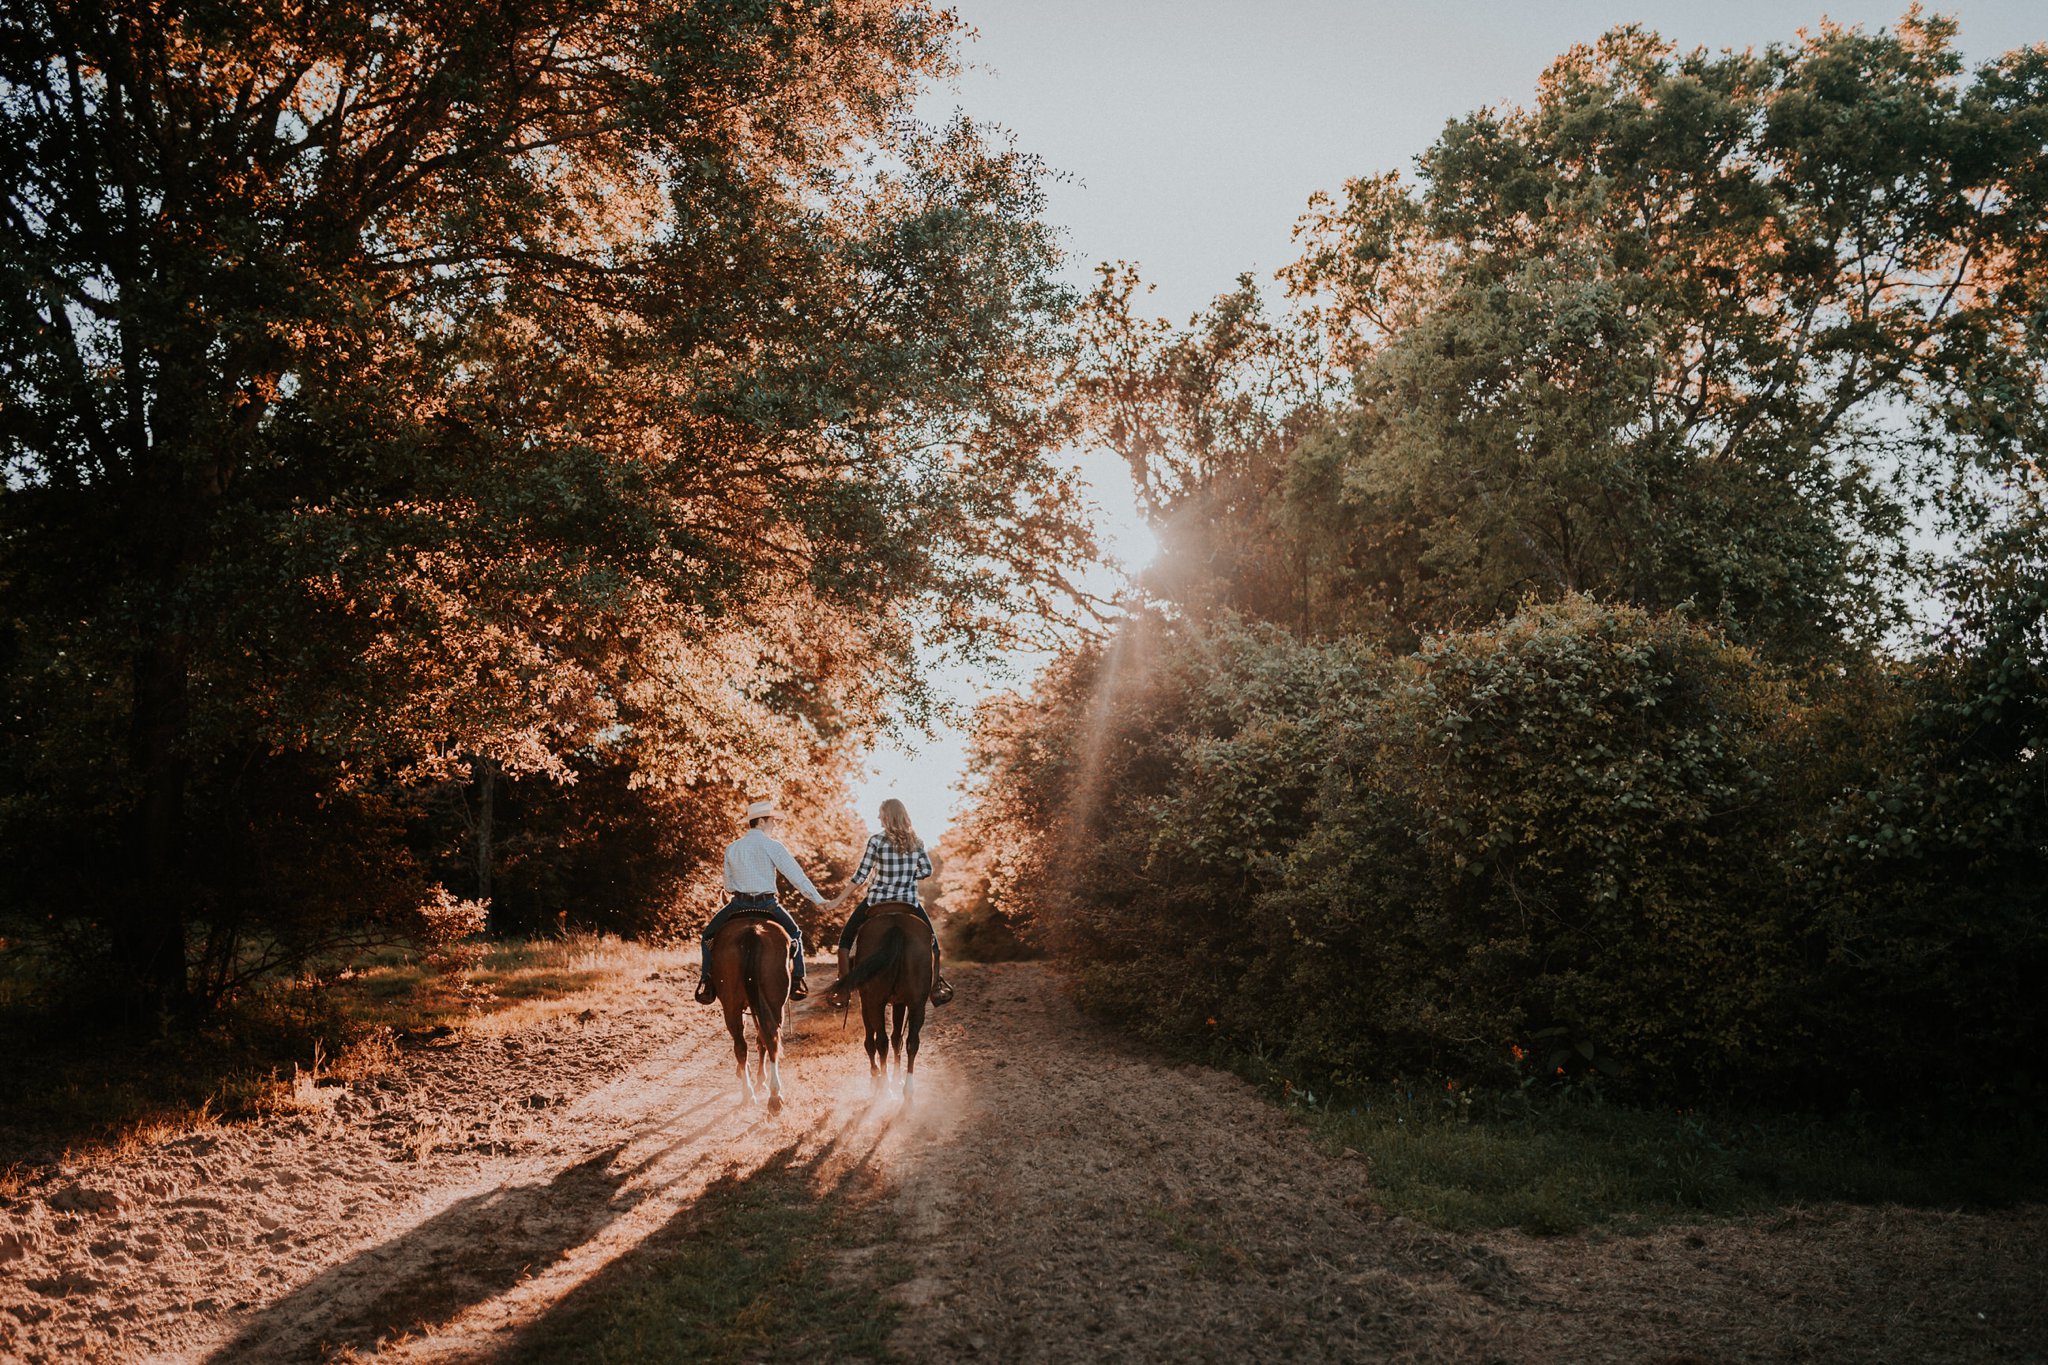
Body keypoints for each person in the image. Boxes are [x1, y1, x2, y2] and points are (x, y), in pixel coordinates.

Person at [694, 797, 845, 1005]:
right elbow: (797, 877)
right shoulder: (773, 846)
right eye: (773, 820)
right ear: (762, 821)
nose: (775, 824)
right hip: (768, 905)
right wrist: (819, 901)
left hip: (738, 904)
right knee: (794, 934)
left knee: (708, 937)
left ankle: (707, 981)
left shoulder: (733, 848)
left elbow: (728, 886)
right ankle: (797, 980)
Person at [829, 798, 953, 1007]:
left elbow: (860, 876)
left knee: (846, 938)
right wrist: (908, 875)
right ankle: (935, 985)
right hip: (908, 902)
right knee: (933, 943)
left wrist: (836, 901)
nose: (878, 818)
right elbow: (927, 870)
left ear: (887, 816)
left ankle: (842, 988)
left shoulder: (876, 841)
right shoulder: (917, 842)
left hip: (877, 900)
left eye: (880, 814)